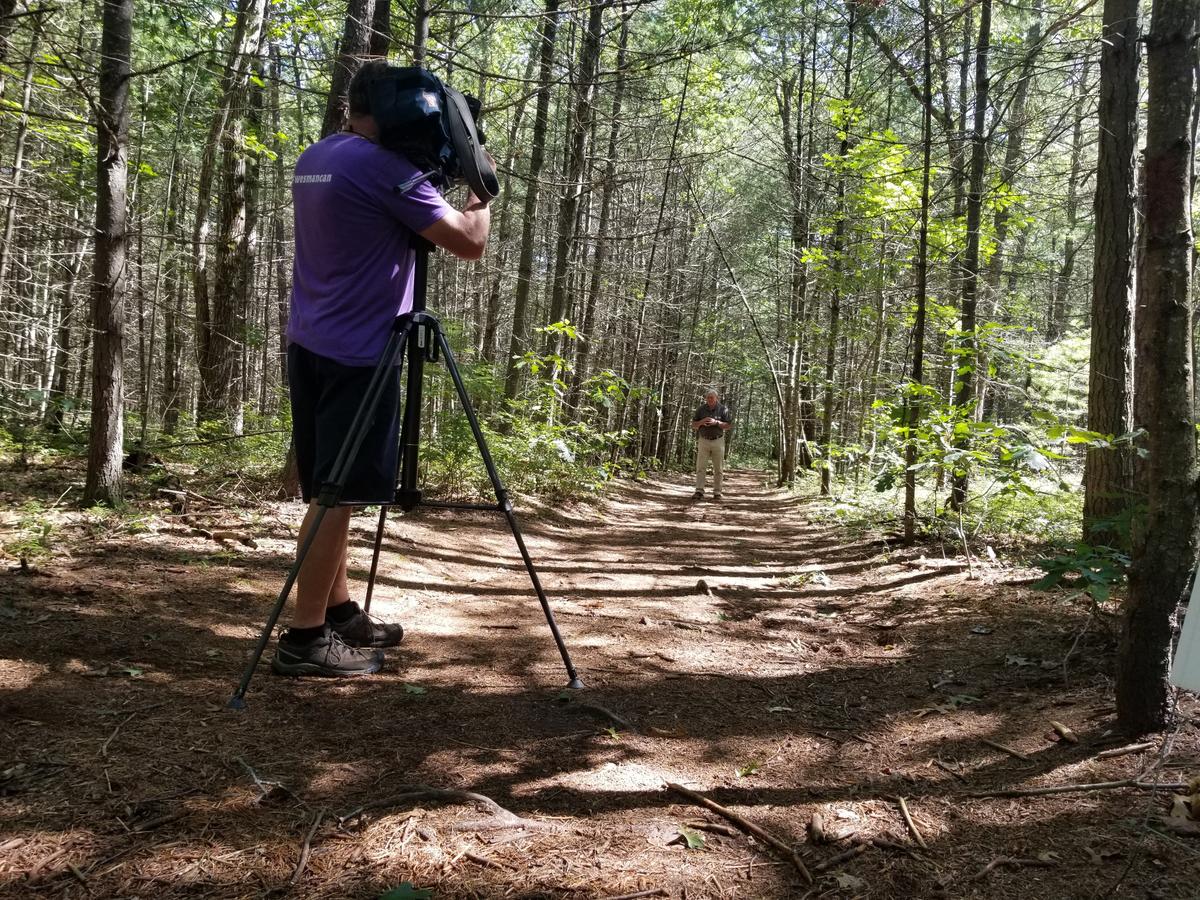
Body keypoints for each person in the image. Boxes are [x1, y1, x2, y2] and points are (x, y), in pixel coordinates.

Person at [272, 60, 491, 678]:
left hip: (312, 340)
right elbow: (468, 241)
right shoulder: (383, 167)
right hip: (359, 350)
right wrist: (481, 192)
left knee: (327, 486)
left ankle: (339, 612)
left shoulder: (322, 154)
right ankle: (306, 638)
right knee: (336, 497)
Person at [691, 389, 732, 500]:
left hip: (718, 441)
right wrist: (701, 422)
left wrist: (716, 422)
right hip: (703, 440)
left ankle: (717, 492)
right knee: (700, 467)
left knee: (718, 468)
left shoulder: (723, 409)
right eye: (708, 397)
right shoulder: (700, 409)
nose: (709, 400)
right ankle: (699, 491)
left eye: (712, 398)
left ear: (716, 398)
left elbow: (728, 425)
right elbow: (693, 425)